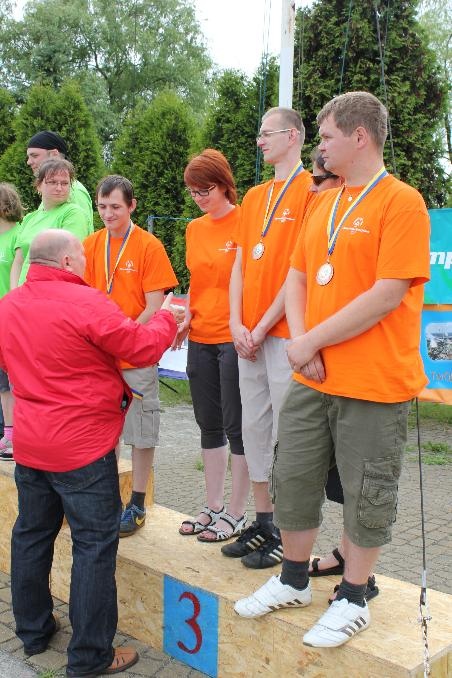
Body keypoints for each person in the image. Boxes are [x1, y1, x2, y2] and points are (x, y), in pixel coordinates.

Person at [234, 92, 430, 648]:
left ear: (359, 136)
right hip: (312, 375)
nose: (319, 148)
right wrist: (303, 344)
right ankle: (293, 579)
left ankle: (353, 595)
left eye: (326, 137)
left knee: (368, 490)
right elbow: (298, 276)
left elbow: (388, 293)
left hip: (373, 381)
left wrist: (310, 341)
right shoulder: (324, 203)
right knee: (294, 474)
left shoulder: (402, 202)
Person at [0, 228, 178, 677]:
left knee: (31, 535)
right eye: (81, 257)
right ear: (65, 262)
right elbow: (141, 347)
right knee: (94, 547)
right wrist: (168, 318)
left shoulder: (9, 305)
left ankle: (33, 631)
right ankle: (90, 656)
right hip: (83, 446)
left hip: (31, 442)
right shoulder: (87, 302)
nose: (85, 264)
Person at [224, 107, 313, 569]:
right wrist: (236, 323)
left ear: (293, 135)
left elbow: (299, 272)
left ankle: (287, 528)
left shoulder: (311, 191)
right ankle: (262, 521)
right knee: (254, 429)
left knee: (286, 433)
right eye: (258, 133)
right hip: (247, 336)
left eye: (267, 132)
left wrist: (260, 327)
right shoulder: (255, 196)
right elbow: (241, 263)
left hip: (281, 334)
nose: (260, 140)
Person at [84, 175, 178, 537]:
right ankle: (105, 499)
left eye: (116, 207)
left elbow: (155, 306)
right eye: (102, 207)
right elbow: (85, 300)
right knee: (102, 431)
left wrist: (122, 340)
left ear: (132, 206)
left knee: (141, 430)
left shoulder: (149, 246)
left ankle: (137, 503)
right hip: (100, 358)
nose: (108, 214)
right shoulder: (91, 244)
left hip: (134, 355)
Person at [175, 149, 250, 542]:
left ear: (224, 184)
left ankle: (237, 512)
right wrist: (187, 316)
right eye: (192, 191)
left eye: (204, 190)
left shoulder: (247, 221)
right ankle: (213, 506)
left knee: (238, 428)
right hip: (200, 336)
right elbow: (198, 282)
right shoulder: (194, 229)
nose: (199, 198)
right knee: (209, 426)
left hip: (233, 339)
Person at [11, 158, 92, 287]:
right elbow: (18, 261)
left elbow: (70, 261)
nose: (59, 188)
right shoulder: (30, 218)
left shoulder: (73, 213)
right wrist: (15, 292)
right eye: (53, 182)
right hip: (24, 292)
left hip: (52, 291)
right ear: (39, 185)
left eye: (64, 183)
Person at [26, 130, 93, 229]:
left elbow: (80, 234)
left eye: (35, 156)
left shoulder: (74, 190)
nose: (29, 162)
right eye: (52, 182)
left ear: (54, 154)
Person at [0, 183, 24, 460]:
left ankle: (19, 434)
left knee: (13, 380)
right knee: (1, 383)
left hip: (11, 320)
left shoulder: (19, 235)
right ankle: (8, 433)